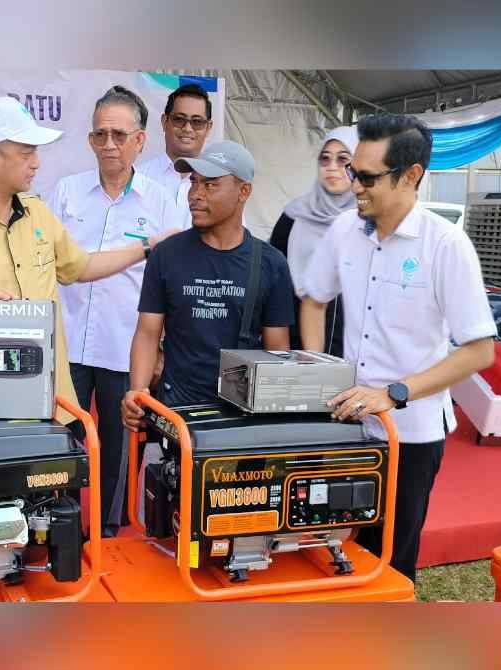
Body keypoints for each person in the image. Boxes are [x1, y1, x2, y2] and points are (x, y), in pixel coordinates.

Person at [300, 114, 496, 582]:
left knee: (390, 560)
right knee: (332, 548)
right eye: (353, 172)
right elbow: (313, 301)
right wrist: (318, 369)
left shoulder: (446, 245)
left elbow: (480, 350)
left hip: (411, 432)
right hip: (346, 424)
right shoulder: (343, 231)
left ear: (412, 176)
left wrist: (395, 392)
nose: (354, 187)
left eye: (367, 177)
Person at [0, 96, 175, 426]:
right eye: (26, 152)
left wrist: (147, 246)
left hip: (56, 409)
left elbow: (80, 267)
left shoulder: (38, 214)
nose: (37, 163)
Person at [47, 86, 180, 536]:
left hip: (124, 344)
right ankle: (60, 527)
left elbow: (170, 284)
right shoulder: (65, 192)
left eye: (119, 135)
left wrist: (161, 346)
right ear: (89, 139)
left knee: (118, 449)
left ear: (140, 141)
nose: (109, 145)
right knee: (61, 441)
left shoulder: (162, 201)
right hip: (66, 341)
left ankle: (109, 533)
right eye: (100, 134)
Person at [122, 140, 295, 431]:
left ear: (244, 191)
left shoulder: (270, 263)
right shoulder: (166, 254)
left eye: (210, 185)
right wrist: (138, 393)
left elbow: (277, 352)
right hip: (175, 416)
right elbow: (148, 333)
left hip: (240, 421)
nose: (196, 195)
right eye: (194, 183)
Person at [270, 126, 358, 354]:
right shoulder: (294, 215)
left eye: (343, 160)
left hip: (353, 343)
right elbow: (274, 279)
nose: (332, 168)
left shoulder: (368, 219)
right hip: (297, 338)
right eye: (325, 159)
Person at [137, 83, 213, 219]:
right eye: (179, 119)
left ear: (208, 127)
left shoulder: (221, 185)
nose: (188, 128)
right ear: (164, 121)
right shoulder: (138, 178)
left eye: (197, 122)